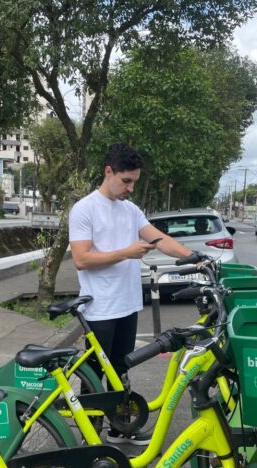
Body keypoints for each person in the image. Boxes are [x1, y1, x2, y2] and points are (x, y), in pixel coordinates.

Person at [68, 142, 193, 445]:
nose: (130, 188)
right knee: (95, 375)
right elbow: (81, 259)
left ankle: (120, 427)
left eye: (134, 182)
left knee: (122, 368)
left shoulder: (131, 210)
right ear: (108, 172)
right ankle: (90, 439)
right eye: (126, 181)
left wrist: (193, 257)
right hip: (99, 308)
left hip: (127, 305)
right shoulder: (85, 209)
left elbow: (159, 239)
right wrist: (126, 252)